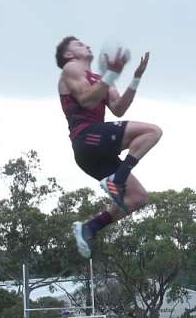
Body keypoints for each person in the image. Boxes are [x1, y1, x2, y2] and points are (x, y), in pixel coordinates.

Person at [55, 36, 163, 258]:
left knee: (137, 197)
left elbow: (119, 108)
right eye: (79, 44)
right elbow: (86, 100)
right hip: (87, 138)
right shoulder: (71, 68)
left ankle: (89, 228)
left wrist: (135, 78)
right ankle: (118, 179)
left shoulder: (103, 78)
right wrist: (111, 74)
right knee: (152, 131)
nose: (87, 45)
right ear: (68, 54)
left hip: (94, 152)